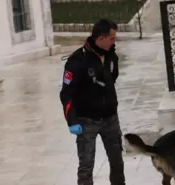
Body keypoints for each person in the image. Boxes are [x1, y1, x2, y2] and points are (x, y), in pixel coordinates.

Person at [59, 19, 125, 185]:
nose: (114, 41)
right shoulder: (77, 61)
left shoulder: (111, 56)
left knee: (117, 162)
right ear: (100, 38)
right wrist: (72, 121)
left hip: (111, 119)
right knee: (86, 164)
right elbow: (66, 94)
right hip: (87, 121)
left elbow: (112, 78)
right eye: (112, 38)